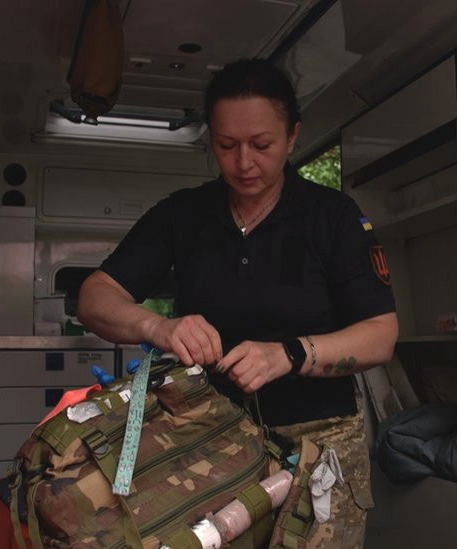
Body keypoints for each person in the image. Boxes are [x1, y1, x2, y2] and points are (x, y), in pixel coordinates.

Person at [77, 58, 398, 547]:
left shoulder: (332, 218)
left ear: (292, 138)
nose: (244, 163)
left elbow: (381, 334)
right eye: (227, 146)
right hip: (208, 440)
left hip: (320, 445)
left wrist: (290, 354)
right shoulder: (182, 214)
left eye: (262, 145)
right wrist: (158, 327)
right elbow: (95, 297)